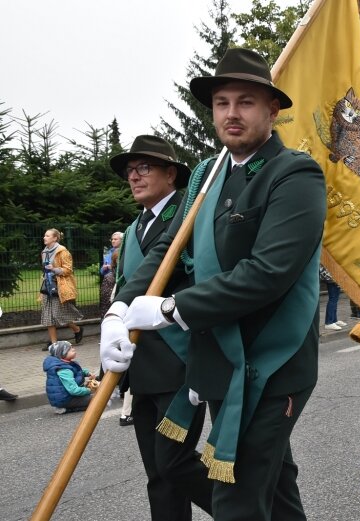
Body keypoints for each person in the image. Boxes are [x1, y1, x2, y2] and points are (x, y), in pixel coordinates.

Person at [100, 48, 326, 520]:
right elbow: (168, 252)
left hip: (271, 364)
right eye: (222, 102)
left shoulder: (296, 174)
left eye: (245, 102)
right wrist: (118, 311)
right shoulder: (207, 175)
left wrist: (168, 310)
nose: (231, 113)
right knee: (277, 494)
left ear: (272, 109)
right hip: (220, 360)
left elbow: (268, 272)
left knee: (237, 499)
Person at [103, 134, 212, 517]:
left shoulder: (188, 214)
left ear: (171, 174)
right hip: (143, 369)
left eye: (143, 168)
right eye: (130, 171)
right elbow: (123, 286)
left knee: (174, 463)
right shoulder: (132, 230)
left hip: (181, 365)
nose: (134, 176)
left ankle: (246, 508)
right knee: (158, 475)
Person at [40, 228, 83, 350]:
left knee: (59, 313)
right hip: (47, 286)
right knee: (48, 315)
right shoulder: (44, 252)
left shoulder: (62, 251)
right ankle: (54, 344)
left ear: (55, 238)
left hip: (60, 286)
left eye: (47, 236)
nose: (44, 237)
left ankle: (77, 329)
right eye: (45, 235)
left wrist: (54, 269)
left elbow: (68, 270)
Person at [43, 340, 95, 414]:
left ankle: (66, 407)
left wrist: (86, 373)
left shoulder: (64, 363)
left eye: (72, 347)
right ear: (62, 354)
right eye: (70, 349)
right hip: (65, 399)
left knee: (93, 399)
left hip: (65, 396)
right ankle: (65, 409)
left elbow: (76, 371)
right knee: (97, 399)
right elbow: (73, 390)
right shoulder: (64, 370)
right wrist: (89, 390)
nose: (73, 349)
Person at [99, 232, 123, 317]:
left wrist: (112, 267)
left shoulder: (124, 251)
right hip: (108, 283)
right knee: (107, 305)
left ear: (121, 240)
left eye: (115, 239)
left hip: (118, 282)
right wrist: (104, 268)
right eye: (112, 239)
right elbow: (101, 271)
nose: (113, 241)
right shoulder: (109, 253)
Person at [320, 265, 346, 330]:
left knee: (334, 299)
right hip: (331, 276)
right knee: (333, 299)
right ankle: (329, 322)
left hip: (333, 275)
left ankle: (334, 320)